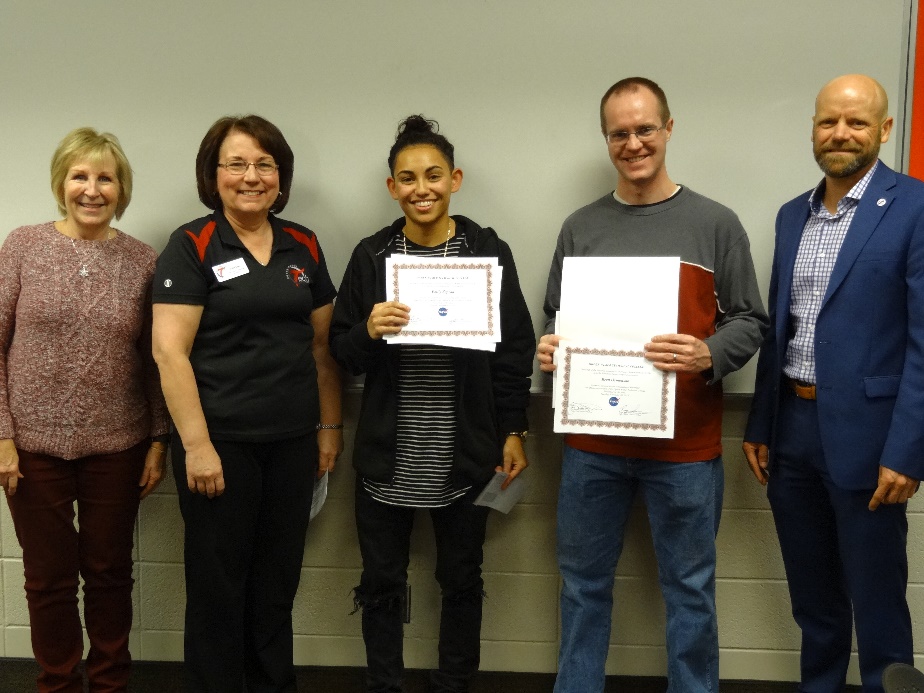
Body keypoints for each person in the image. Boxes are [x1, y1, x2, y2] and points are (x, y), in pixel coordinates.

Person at [537, 78, 768, 693]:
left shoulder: (716, 224)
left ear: (668, 128)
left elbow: (750, 321)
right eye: (620, 133)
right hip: (592, 448)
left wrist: (708, 352)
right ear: (605, 139)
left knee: (690, 591)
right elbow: (555, 317)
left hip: (685, 451)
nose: (633, 143)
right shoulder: (580, 228)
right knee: (582, 588)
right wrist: (550, 347)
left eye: (645, 129)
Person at [329, 115, 534, 693]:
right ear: (391, 187)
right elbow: (341, 351)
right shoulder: (372, 256)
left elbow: (514, 349)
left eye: (434, 175)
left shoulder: (486, 251)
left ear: (455, 180)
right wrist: (368, 329)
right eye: (408, 178)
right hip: (389, 455)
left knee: (462, 580)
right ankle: (384, 684)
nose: (422, 188)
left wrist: (514, 429)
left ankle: (454, 682)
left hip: (464, 453)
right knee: (381, 582)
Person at [743, 74, 923, 693]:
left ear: (885, 129)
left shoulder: (915, 208)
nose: (840, 133)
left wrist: (908, 451)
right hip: (792, 432)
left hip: (872, 441)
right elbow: (781, 328)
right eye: (828, 121)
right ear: (813, 128)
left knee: (877, 605)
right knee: (814, 603)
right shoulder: (792, 214)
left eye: (857, 122)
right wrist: (761, 423)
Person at [151, 114, 343, 692]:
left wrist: (329, 428)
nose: (251, 176)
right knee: (218, 588)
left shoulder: (303, 244)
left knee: (277, 585)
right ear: (213, 176)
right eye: (236, 164)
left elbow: (321, 347)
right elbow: (169, 353)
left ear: (281, 176)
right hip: (220, 448)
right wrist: (197, 447)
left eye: (264, 164)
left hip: (292, 445)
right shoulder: (192, 245)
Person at [0, 127, 170, 692]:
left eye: (105, 178)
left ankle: (109, 683)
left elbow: (154, 360)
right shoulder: (22, 246)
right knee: (48, 580)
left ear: (122, 189)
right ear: (61, 183)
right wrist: (2, 435)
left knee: (109, 575)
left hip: (117, 446)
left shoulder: (142, 261)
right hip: (32, 447)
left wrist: (158, 440)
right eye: (80, 176)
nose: (92, 189)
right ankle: (57, 682)